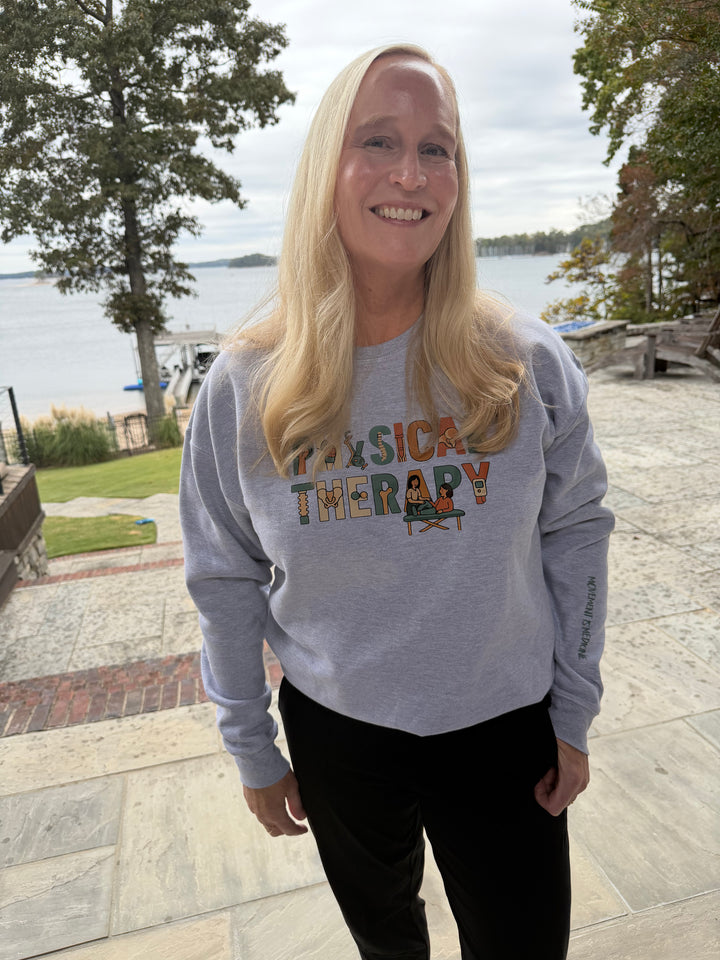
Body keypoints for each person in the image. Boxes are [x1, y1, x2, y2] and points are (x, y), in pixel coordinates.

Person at [179, 43, 613, 960]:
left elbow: (577, 535)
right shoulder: (245, 384)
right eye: (378, 140)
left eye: (437, 148)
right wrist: (251, 744)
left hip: (506, 723)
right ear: (325, 166)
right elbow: (223, 575)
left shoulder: (525, 363)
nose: (411, 174)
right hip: (340, 732)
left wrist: (573, 711)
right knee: (387, 944)